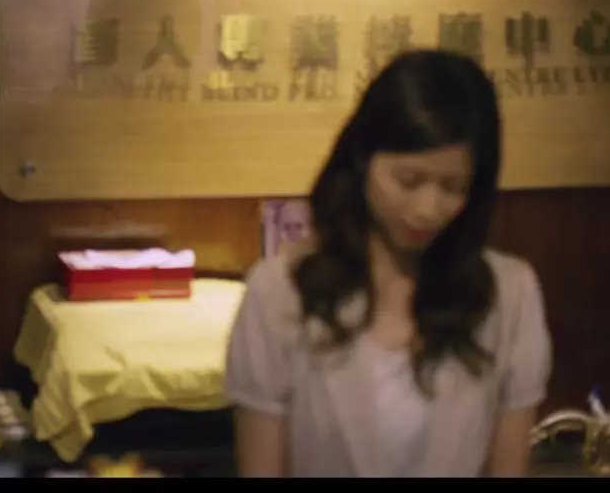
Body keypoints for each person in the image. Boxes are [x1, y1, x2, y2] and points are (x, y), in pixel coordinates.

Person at [224, 49, 552, 477]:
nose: (428, 209)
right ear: (363, 161)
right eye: (408, 180)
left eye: (453, 187)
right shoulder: (280, 292)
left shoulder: (509, 294)